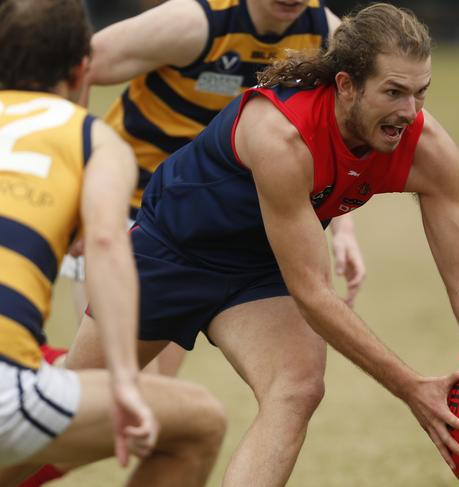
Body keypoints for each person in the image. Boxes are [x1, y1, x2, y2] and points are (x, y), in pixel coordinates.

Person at [64, 3, 459, 486]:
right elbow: (313, 293)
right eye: (393, 92)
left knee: (297, 389)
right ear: (346, 86)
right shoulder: (282, 133)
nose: (409, 113)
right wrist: (412, 388)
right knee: (68, 415)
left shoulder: (428, 150)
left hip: (262, 268)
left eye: (420, 93)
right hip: (172, 251)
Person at [61, 0, 366, 377]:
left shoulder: (325, 36)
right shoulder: (196, 22)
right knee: (110, 385)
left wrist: (344, 229)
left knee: (154, 389)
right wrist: (78, 187)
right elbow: (79, 65)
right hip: (126, 206)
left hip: (197, 228)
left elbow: (344, 129)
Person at [0, 1, 226, 486]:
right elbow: (106, 241)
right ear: (83, 69)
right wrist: (124, 378)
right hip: (6, 386)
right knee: (198, 423)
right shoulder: (92, 140)